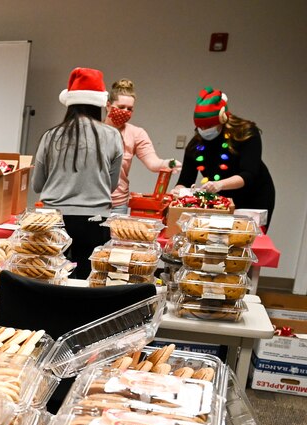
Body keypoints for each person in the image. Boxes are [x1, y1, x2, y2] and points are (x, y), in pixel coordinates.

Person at [32, 67, 123, 279]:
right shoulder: (112, 135)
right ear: (100, 104)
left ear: (70, 103)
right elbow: (111, 185)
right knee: (88, 280)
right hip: (95, 220)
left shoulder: (51, 135)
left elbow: (37, 185)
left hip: (54, 220)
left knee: (50, 278)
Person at [174, 87, 276, 225]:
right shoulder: (196, 146)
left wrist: (220, 184)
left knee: (247, 233)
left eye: (209, 126)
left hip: (254, 196)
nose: (204, 130)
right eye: (200, 127)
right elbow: (185, 180)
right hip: (224, 199)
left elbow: (249, 174)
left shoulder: (246, 134)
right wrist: (178, 191)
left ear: (222, 119)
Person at [105, 79, 179, 211]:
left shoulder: (136, 133)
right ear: (108, 105)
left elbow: (153, 163)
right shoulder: (94, 130)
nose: (125, 111)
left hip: (118, 203)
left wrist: (168, 163)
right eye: (121, 107)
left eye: (129, 109)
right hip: (92, 202)